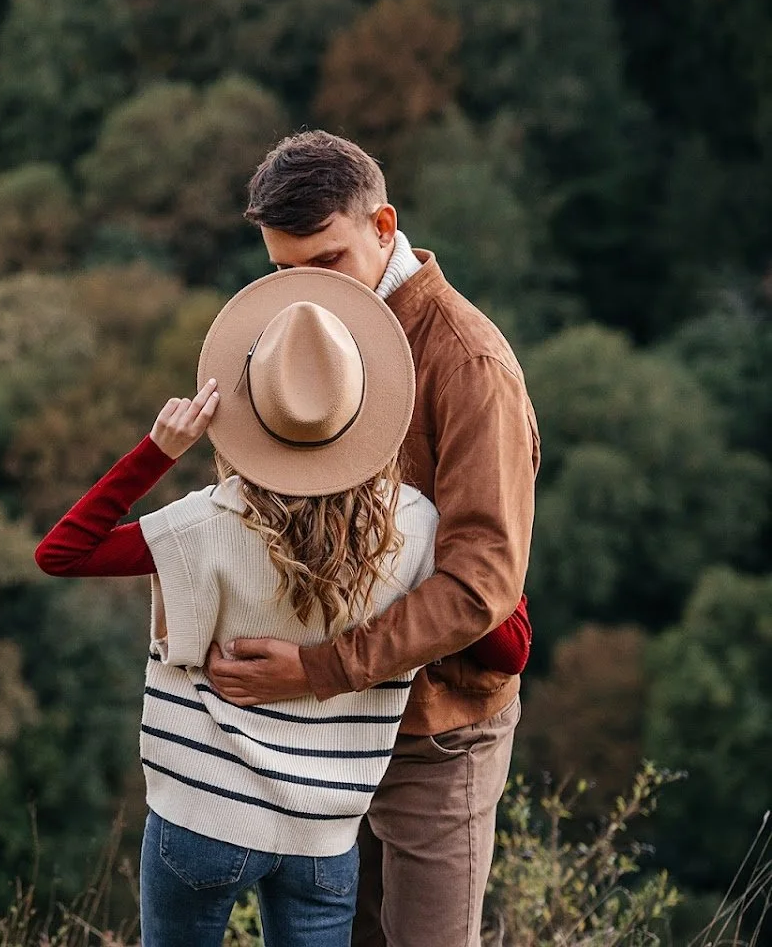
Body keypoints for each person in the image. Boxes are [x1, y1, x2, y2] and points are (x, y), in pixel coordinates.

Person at [34, 266, 526, 947]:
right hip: (322, 837)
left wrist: (158, 451)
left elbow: (62, 552)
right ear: (367, 410)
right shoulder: (416, 529)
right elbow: (507, 646)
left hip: (201, 813)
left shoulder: (206, 522)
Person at [202, 130, 540, 947]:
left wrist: (317, 670)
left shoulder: (468, 363)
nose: (305, 292)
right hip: (325, 730)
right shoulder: (287, 336)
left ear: (384, 226)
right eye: (284, 271)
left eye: (328, 262)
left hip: (437, 729)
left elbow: (481, 586)